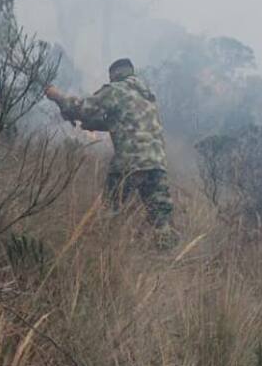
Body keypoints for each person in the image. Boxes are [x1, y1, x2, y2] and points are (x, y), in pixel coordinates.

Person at [45, 58, 175, 240]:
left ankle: (107, 248)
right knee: (161, 221)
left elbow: (81, 107)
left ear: (114, 75)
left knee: (111, 213)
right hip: (157, 166)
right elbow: (123, 122)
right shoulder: (146, 96)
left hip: (129, 164)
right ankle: (167, 253)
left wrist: (56, 96)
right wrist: (92, 124)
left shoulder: (116, 90)